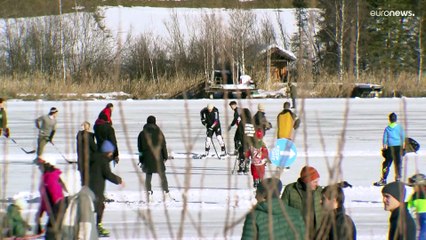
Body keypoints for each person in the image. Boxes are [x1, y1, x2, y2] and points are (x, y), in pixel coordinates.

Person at [241, 177, 305, 239]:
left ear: (264, 194)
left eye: (257, 192)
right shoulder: (296, 214)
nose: (255, 196)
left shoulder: (254, 217)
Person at [89, 140, 124, 237]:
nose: (112, 154)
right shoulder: (103, 160)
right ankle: (96, 227)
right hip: (97, 187)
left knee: (96, 206)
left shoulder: (94, 157)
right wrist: (119, 180)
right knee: (98, 207)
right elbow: (107, 174)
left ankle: (94, 226)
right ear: (107, 151)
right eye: (111, 151)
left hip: (90, 185)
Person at [281, 165, 323, 239]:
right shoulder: (290, 189)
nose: (317, 184)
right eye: (315, 182)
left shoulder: (319, 191)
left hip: (316, 234)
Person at [137, 116, 173, 202]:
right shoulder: (159, 133)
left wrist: (141, 159)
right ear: (155, 122)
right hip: (158, 157)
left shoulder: (142, 134)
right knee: (162, 176)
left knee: (148, 176)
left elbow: (140, 149)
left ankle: (149, 194)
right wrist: (165, 156)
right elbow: (163, 145)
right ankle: (166, 193)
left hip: (147, 158)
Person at [35, 155, 68, 239]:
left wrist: (54, 212)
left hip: (57, 210)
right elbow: (44, 198)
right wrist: (40, 213)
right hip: (54, 210)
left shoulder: (51, 177)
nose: (39, 167)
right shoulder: (46, 177)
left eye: (41, 165)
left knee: (52, 233)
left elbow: (56, 197)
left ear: (47, 165)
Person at [374, 112, 406, 186]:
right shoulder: (399, 128)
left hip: (390, 148)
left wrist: (384, 146)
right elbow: (403, 137)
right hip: (398, 147)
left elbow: (385, 138)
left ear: (389, 120)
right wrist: (404, 146)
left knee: (387, 163)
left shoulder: (387, 128)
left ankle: (384, 179)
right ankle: (398, 178)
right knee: (398, 163)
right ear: (395, 119)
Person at [76, 121, 97, 186]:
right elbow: (93, 146)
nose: (85, 126)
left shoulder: (89, 135)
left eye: (86, 125)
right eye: (84, 125)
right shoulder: (84, 135)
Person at [235, 108, 255, 174]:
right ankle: (246, 168)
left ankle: (241, 168)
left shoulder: (242, 121)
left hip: (243, 139)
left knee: (241, 153)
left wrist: (237, 140)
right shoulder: (252, 121)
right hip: (250, 140)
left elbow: (239, 132)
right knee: (247, 153)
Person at [407, 173, 426, 240]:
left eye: (414, 186)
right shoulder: (414, 196)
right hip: (418, 217)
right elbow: (408, 206)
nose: (413, 188)